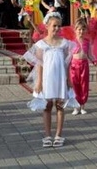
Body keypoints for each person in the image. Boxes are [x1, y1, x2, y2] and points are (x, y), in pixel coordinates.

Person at [22, 12, 76, 147]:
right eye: (54, 26)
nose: (57, 28)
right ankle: (47, 135)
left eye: (59, 26)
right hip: (47, 79)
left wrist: (69, 79)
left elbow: (67, 63)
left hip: (60, 78)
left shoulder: (64, 44)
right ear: (47, 26)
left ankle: (58, 135)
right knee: (47, 106)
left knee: (60, 105)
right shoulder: (41, 44)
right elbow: (39, 64)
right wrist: (39, 82)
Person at [70, 18, 95, 116]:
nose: (81, 31)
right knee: (75, 86)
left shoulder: (87, 42)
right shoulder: (71, 42)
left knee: (84, 85)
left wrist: (96, 62)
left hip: (84, 65)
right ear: (75, 30)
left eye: (83, 29)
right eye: (79, 29)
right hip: (74, 66)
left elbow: (90, 55)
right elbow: (68, 56)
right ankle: (75, 107)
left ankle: (83, 105)